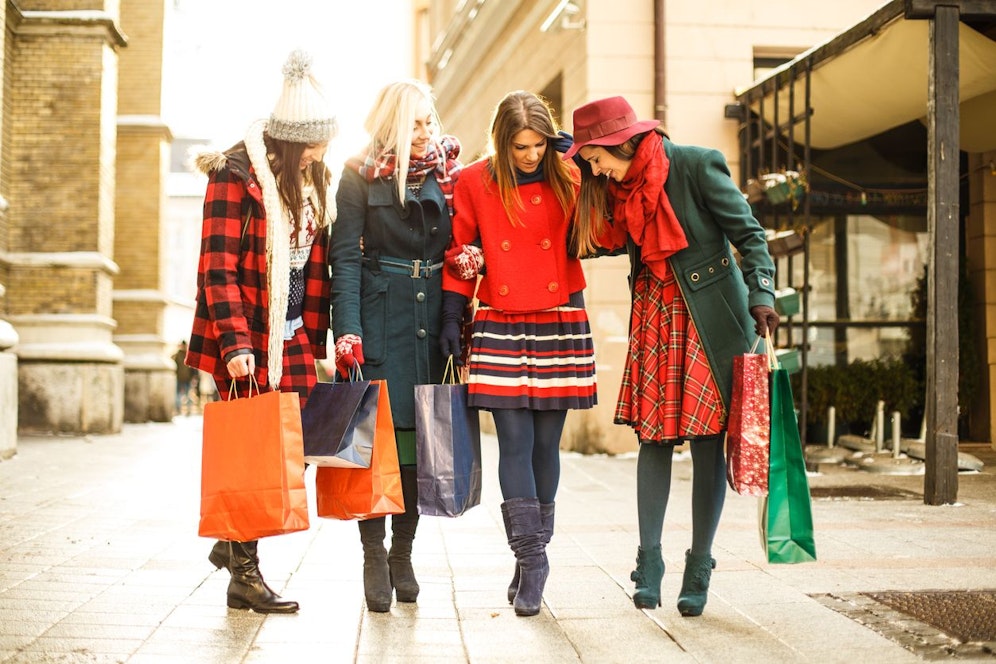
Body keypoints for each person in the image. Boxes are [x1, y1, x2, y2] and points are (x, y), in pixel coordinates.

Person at [564, 96, 780, 617]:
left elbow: (749, 235)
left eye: (597, 158)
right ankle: (650, 560)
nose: (597, 170)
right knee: (653, 439)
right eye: (590, 164)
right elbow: (594, 238)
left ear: (623, 141)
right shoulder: (617, 193)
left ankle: (700, 565)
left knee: (709, 444)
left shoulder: (695, 164)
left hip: (709, 319)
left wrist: (763, 295)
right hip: (656, 319)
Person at [185, 50, 337, 614]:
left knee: (288, 450)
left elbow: (312, 264)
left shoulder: (312, 177)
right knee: (254, 449)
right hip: (247, 335)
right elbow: (217, 266)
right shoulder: (235, 174)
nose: (323, 152)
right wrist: (235, 344)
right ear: (292, 140)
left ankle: (233, 545)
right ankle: (244, 573)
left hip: (291, 332)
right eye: (316, 143)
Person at [439, 91, 596, 617]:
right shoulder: (474, 182)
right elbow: (459, 254)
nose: (530, 156)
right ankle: (531, 561)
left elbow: (606, 218)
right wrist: (449, 317)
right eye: (519, 147)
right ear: (501, 142)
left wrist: (572, 154)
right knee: (513, 439)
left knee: (546, 446)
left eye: (537, 144)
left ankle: (533, 556)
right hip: (501, 318)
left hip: (558, 314)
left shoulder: (568, 174)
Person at [331, 79, 463, 613]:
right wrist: (349, 331)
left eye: (429, 121)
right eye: (414, 123)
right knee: (373, 446)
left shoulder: (449, 173)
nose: (425, 132)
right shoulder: (357, 173)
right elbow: (344, 257)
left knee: (417, 450)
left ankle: (403, 554)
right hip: (380, 316)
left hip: (430, 320)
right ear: (391, 123)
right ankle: (371, 554)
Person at [173, 340, 194, 415]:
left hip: (183, 378)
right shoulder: (186, 355)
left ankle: (181, 409)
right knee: (185, 395)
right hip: (184, 378)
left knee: (181, 394)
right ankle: (184, 409)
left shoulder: (177, 355)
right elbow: (192, 368)